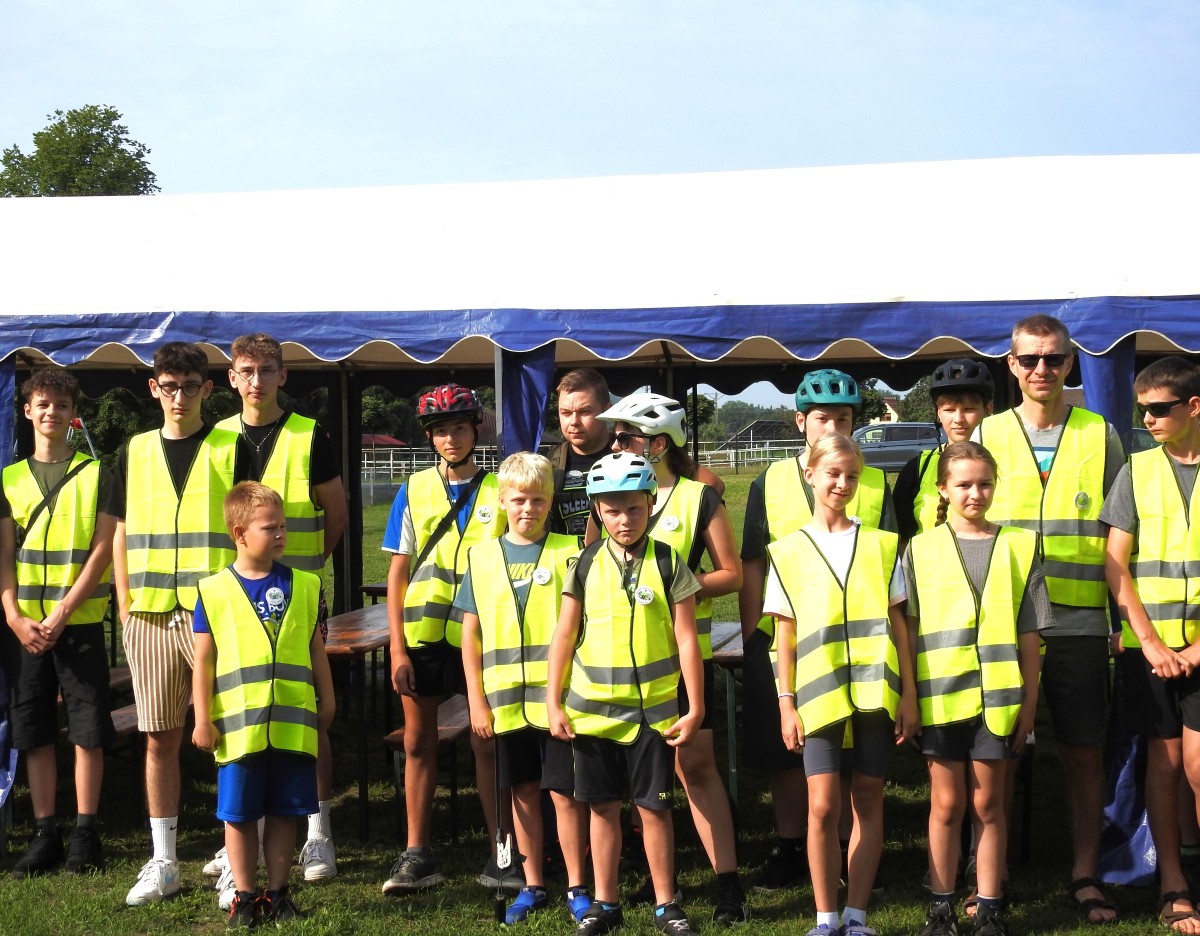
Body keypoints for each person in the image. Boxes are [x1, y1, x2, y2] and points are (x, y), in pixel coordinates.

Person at [975, 314, 1124, 924]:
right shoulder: (987, 431)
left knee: (1083, 751)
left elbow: (1121, 531)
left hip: (1081, 619)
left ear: (1071, 363)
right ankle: (992, 878)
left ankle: (1085, 874)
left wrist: (1120, 618)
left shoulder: (1101, 433)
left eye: (1054, 358)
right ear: (1011, 364)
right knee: (998, 752)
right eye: (1030, 359)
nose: (1043, 369)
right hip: (1005, 621)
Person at [592, 391, 748, 924]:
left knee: (694, 768)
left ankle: (728, 885)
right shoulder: (609, 490)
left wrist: (679, 585)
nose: (614, 445)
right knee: (637, 776)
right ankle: (658, 883)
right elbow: (593, 565)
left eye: (625, 437)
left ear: (658, 444)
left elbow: (732, 573)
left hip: (682, 664)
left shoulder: (699, 497)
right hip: (618, 669)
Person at [739, 368, 897, 892]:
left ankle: (851, 852)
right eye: (823, 418)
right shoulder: (769, 480)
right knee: (788, 753)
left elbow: (889, 561)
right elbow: (754, 564)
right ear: (800, 421)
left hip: (859, 645)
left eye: (844, 419)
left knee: (847, 756)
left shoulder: (873, 480)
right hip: (788, 639)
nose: (833, 427)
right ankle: (791, 846)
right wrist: (752, 636)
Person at [202, 333, 347, 893]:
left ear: (283, 375)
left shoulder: (310, 434)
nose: (256, 380)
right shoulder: (215, 436)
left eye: (267, 369)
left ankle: (319, 829)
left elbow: (336, 513)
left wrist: (305, 570)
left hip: (296, 595)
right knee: (239, 709)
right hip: (237, 598)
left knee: (304, 710)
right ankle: (239, 835)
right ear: (232, 378)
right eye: (246, 370)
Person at [110, 341, 248, 906]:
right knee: (158, 737)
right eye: (169, 386)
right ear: (154, 388)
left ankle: (234, 856)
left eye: (190, 387)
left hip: (213, 613)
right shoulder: (135, 449)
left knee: (230, 734)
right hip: (148, 612)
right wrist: (124, 603)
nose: (179, 397)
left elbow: (248, 524)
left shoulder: (230, 446)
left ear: (207, 390)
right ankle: (164, 860)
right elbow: (119, 530)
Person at [547, 452, 704, 936]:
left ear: (651, 504)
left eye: (634, 508)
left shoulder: (668, 561)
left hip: (655, 716)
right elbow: (564, 635)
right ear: (596, 509)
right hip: (592, 716)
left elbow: (687, 638)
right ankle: (605, 903)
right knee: (602, 809)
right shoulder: (584, 563)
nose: (624, 520)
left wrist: (695, 706)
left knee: (655, 810)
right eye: (612, 510)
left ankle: (666, 904)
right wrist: (553, 702)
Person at [768, 433, 917, 936]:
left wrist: (909, 694)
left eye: (852, 475)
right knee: (822, 804)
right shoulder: (787, 551)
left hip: (877, 691)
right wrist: (786, 703)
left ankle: (857, 915)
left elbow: (899, 624)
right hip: (817, 693)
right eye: (833, 473)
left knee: (869, 796)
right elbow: (784, 635)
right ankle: (824, 917)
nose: (842, 483)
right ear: (810, 474)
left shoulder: (882, 544)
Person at [904, 442, 1051, 936]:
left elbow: (1030, 633)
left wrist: (1029, 704)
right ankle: (941, 906)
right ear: (943, 489)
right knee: (946, 805)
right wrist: (909, 697)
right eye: (964, 484)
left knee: (988, 805)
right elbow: (908, 629)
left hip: (1000, 702)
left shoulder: (1020, 545)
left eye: (984, 483)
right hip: (940, 699)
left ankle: (989, 906)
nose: (975, 493)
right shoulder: (919, 549)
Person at [382, 383, 510, 894]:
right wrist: (396, 647)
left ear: (476, 429)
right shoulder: (412, 489)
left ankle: (502, 851)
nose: (450, 439)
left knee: (487, 742)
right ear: (429, 437)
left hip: (482, 634)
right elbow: (398, 571)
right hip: (424, 634)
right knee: (418, 742)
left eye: (459, 427)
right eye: (440, 431)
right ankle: (417, 853)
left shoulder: (500, 487)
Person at [192, 482, 335, 928]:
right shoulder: (213, 590)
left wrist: (328, 698)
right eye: (270, 528)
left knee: (286, 811)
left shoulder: (306, 585)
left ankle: (278, 892)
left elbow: (315, 650)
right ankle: (244, 895)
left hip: (293, 725)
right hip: (239, 730)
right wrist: (201, 718)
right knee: (239, 815)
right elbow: (203, 661)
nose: (280, 535)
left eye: (283, 526)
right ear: (239, 533)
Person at [457, 452, 591, 924]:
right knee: (522, 792)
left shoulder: (570, 552)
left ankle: (577, 884)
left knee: (565, 794)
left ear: (551, 501)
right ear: (502, 501)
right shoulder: (480, 557)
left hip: (559, 701)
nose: (528, 509)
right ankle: (532, 884)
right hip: (503, 704)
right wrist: (476, 700)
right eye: (518, 500)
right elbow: (470, 636)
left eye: (537, 500)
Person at [0, 369, 115, 877]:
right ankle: (45, 833)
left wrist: (63, 611)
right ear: (27, 411)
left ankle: (86, 834)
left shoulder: (98, 473)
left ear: (74, 415)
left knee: (88, 729)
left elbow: (103, 549)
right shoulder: (8, 479)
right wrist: (14, 616)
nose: (52, 412)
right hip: (24, 628)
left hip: (79, 621)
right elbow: (4, 557)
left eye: (62, 405)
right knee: (34, 729)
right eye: (43, 404)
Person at [1102, 356, 1200, 933]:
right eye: (1143, 410)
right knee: (1162, 767)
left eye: (1160, 409)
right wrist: (1150, 644)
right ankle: (1174, 885)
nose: (1149, 420)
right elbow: (1115, 563)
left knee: (1197, 766)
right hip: (1153, 653)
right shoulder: (1136, 471)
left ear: (1194, 406)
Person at [894, 359, 995, 544]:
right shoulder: (918, 468)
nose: (959, 419)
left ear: (988, 409)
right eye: (949, 410)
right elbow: (902, 536)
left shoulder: (1005, 460)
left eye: (969, 409)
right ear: (938, 412)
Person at [550, 369, 618, 539]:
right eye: (566, 413)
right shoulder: (549, 464)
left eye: (584, 412)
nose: (574, 421)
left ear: (607, 412)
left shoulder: (628, 458)